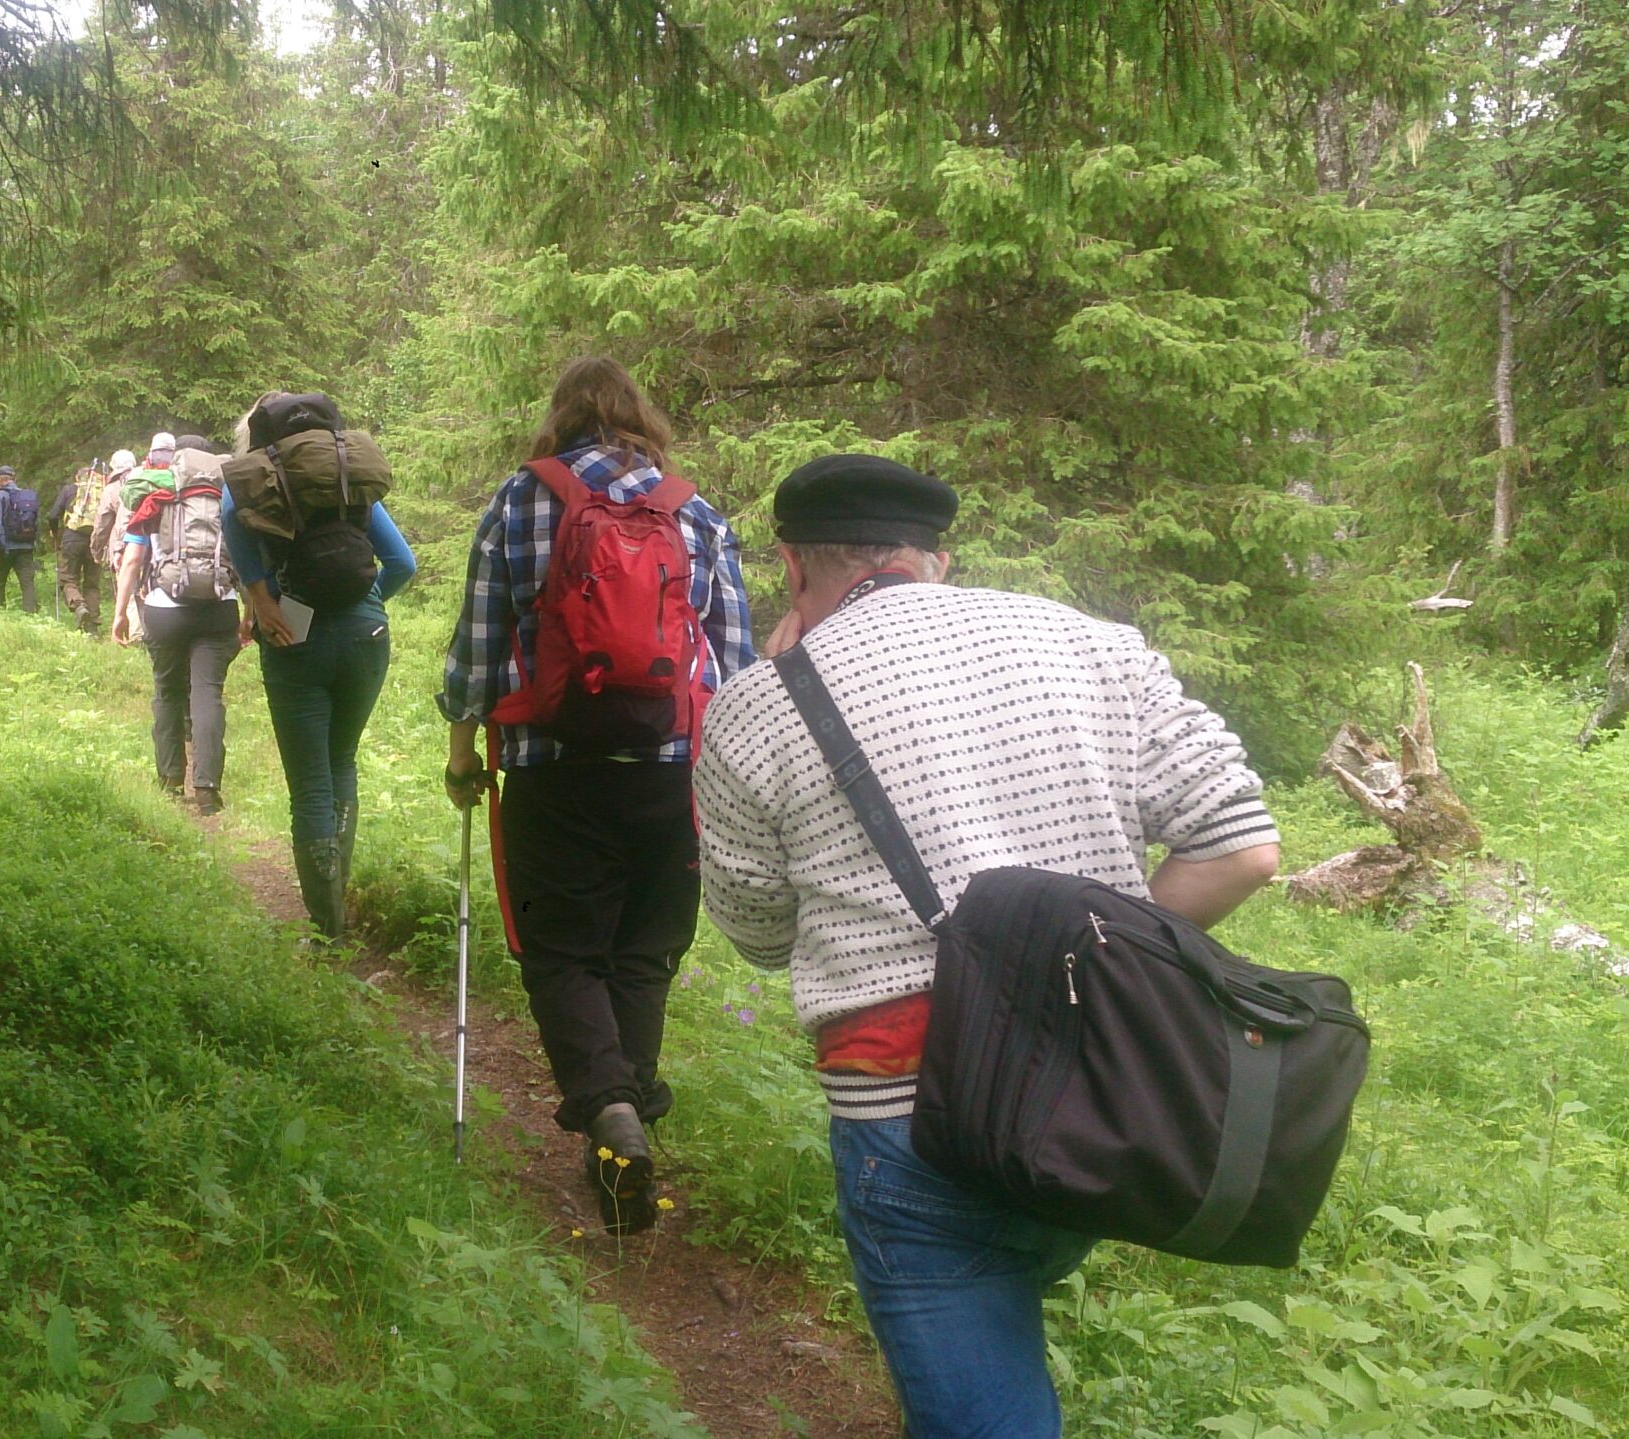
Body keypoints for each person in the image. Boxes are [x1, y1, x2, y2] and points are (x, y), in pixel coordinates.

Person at [692, 453, 1284, 1439]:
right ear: (936, 558)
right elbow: (1240, 847)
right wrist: (1099, 969)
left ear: (794, 568)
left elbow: (754, 931)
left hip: (911, 1118)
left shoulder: (756, 705)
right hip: (1093, 1098)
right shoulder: (1096, 643)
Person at [438, 356, 755, 1233]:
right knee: (643, 952)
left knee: (565, 949)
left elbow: (480, 634)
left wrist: (463, 751)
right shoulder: (693, 510)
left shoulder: (521, 497)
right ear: (640, 420)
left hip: (552, 759)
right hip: (671, 768)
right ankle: (625, 1121)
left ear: (561, 420)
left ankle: (609, 1111)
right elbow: (733, 660)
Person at [224, 399, 416, 939]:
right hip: (366, 634)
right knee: (342, 763)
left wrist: (261, 597)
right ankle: (338, 914)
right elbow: (404, 563)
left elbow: (230, 526)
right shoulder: (348, 483)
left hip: (292, 636)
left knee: (310, 786)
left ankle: (329, 928)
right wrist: (367, 601)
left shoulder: (250, 485)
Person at [114, 435, 241, 811]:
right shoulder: (226, 496)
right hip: (219, 607)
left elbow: (133, 559)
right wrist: (252, 611)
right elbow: (247, 560)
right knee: (207, 693)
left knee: (167, 692)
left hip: (163, 607)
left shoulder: (158, 492)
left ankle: (170, 780)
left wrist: (121, 612)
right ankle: (207, 790)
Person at [50, 464, 110, 634]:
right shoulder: (103, 490)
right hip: (96, 540)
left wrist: (55, 533)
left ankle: (78, 605)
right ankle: (92, 628)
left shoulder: (70, 490)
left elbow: (53, 515)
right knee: (92, 583)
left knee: (68, 578)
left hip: (72, 539)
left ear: (78, 478)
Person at [89, 449, 139, 638]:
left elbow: (102, 524)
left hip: (122, 545)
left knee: (128, 589)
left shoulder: (111, 489)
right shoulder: (146, 482)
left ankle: (135, 636)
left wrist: (96, 549)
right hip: (149, 544)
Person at [0, 464, 40, 612]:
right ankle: (31, 614)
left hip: (5, 548)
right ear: (13, 479)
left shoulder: (0, 495)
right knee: (27, 582)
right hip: (26, 546)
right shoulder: (26, 496)